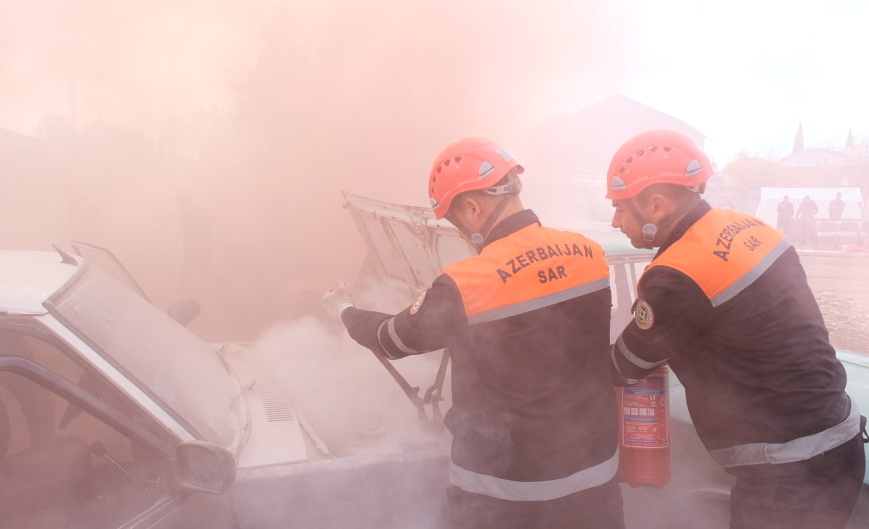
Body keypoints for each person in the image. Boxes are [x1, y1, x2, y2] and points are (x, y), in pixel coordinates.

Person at [323, 137, 624, 529]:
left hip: (505, 497)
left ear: (472, 207)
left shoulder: (465, 284)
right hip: (595, 482)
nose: (461, 233)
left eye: (455, 221)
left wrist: (345, 311)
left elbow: (391, 340)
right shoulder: (589, 253)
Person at [604, 129, 867, 529]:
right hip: (841, 438)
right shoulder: (752, 227)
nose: (615, 221)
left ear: (656, 205)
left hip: (787, 473)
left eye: (620, 208)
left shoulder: (677, 274)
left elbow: (625, 365)